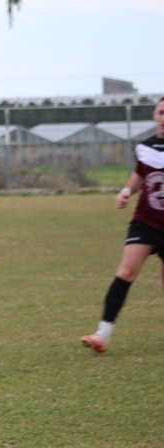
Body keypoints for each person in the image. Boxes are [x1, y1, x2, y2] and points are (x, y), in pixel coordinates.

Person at [81, 96, 164, 353]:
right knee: (126, 271)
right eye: (161, 112)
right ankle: (103, 335)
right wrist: (126, 191)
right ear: (154, 115)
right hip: (145, 221)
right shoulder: (145, 148)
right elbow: (140, 174)